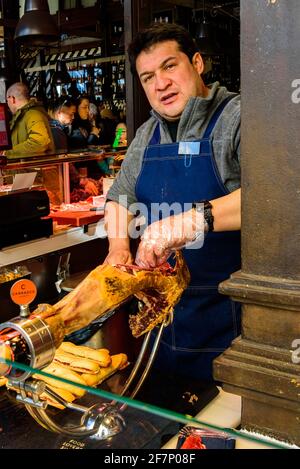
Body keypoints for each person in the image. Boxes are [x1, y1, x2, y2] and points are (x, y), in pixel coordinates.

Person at [104, 23, 241, 382]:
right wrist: (118, 246)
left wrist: (188, 221)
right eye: (147, 77)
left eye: (169, 67)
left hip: (232, 323)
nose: (160, 83)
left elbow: (277, 198)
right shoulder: (147, 133)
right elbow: (120, 195)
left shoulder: (239, 117)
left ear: (197, 63)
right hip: (164, 327)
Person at [3, 82, 54, 158]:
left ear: (12, 99)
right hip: (26, 168)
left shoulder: (33, 115)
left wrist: (8, 152)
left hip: (34, 168)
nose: (8, 105)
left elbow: (39, 143)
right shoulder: (22, 116)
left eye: (7, 101)